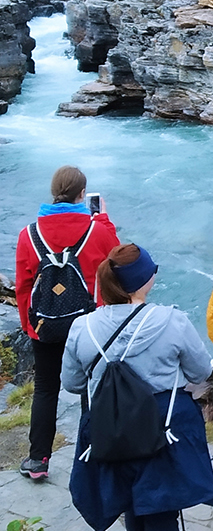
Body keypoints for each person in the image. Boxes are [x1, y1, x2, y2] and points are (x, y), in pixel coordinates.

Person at [63, 243, 213, 531]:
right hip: (162, 428)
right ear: (142, 280)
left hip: (110, 430)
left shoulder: (82, 327)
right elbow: (199, 372)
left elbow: (71, 383)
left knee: (131, 501)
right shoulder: (171, 320)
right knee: (160, 507)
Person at [15, 165, 122, 481]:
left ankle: (38, 461)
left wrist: (29, 326)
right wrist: (102, 218)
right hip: (88, 325)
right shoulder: (97, 230)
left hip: (45, 325)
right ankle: (96, 456)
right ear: (81, 195)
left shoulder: (28, 234)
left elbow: (23, 286)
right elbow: (117, 260)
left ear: (52, 193)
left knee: (46, 389)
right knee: (93, 387)